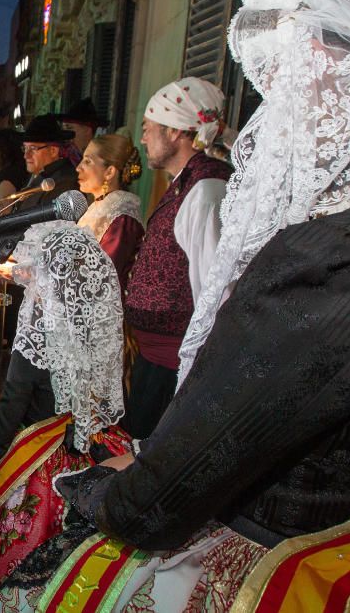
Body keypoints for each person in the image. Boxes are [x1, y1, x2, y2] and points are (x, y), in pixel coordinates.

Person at [0, 0, 350, 609]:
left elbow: (160, 500)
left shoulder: (337, 257)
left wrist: (100, 487)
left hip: (263, 550)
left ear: (326, 68)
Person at [0, 221, 130, 610]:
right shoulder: (91, 321)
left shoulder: (37, 334)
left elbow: (3, 428)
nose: (25, 275)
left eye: (33, 267)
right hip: (93, 445)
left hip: (37, 456)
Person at [120, 76, 233, 439]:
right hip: (155, 357)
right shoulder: (187, 183)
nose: (143, 138)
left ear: (175, 132)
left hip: (174, 365)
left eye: (148, 128)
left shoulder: (207, 188)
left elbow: (215, 287)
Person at [74, 132, 145, 289]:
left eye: (87, 161)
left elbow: (103, 277)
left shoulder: (121, 218)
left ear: (109, 172)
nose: (78, 167)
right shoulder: (99, 207)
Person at [15, 114, 78, 206]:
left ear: (53, 151)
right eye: (25, 148)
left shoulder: (64, 181)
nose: (26, 155)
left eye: (33, 148)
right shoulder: (39, 173)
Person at [55, 97, 108, 165]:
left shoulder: (101, 160)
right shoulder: (61, 158)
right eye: (63, 129)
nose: (65, 134)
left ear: (87, 130)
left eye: (69, 128)